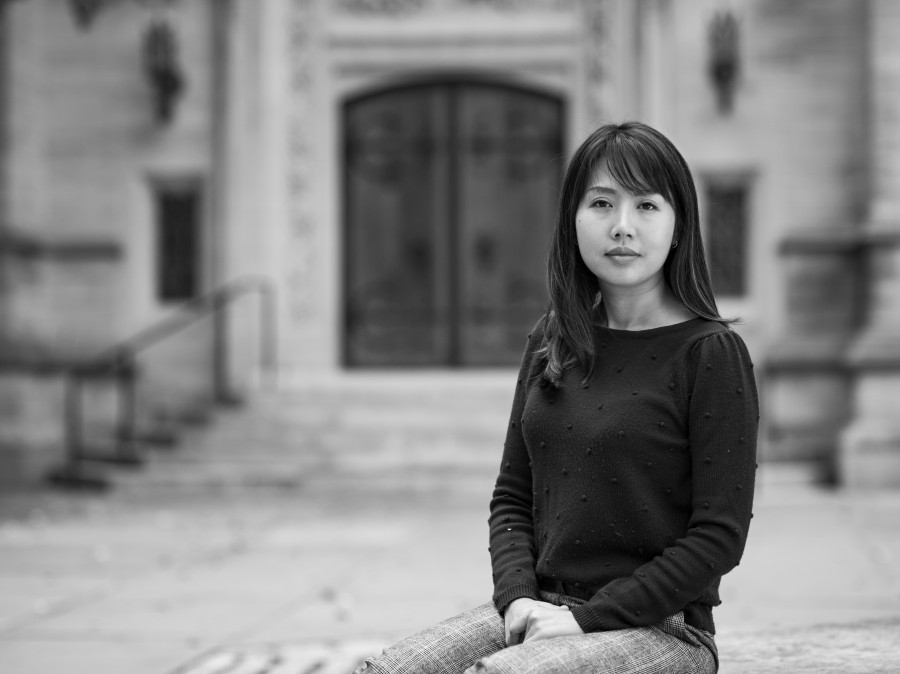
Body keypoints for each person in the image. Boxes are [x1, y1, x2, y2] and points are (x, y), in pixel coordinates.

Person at [356, 121, 759, 674]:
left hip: (663, 630)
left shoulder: (711, 353)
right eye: (601, 203)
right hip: (541, 607)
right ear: (573, 219)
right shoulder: (553, 340)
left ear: (678, 224)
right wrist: (518, 596)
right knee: (386, 671)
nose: (622, 227)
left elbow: (719, 536)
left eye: (646, 206)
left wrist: (586, 620)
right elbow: (512, 497)